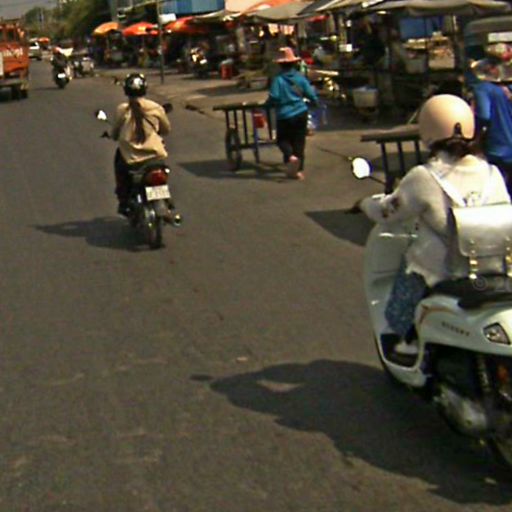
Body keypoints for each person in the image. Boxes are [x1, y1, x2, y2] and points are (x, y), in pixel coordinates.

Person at [357, 95, 510, 356]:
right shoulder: (491, 173)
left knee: (408, 282)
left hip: (443, 271)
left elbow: (387, 212)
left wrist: (363, 204)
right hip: (496, 266)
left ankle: (407, 342)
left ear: (426, 130)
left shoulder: (424, 177)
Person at [110, 73, 171, 215]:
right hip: (155, 157)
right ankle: (166, 201)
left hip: (131, 160)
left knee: (120, 171)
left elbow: (114, 133)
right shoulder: (156, 108)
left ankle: (124, 201)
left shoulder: (122, 109)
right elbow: (166, 129)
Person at [266, 47, 318, 180]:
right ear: (294, 63)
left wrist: (268, 105)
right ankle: (298, 171)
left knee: (282, 140)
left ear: (280, 65)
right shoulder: (300, 78)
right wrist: (315, 102)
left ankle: (290, 157)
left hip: (284, 115)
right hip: (301, 112)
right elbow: (310, 94)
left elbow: (274, 97)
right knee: (299, 142)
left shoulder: (278, 80)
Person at [471, 56, 512, 191]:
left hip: (497, 149)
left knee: (497, 190)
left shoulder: (482, 89)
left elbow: (484, 115)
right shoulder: (507, 89)